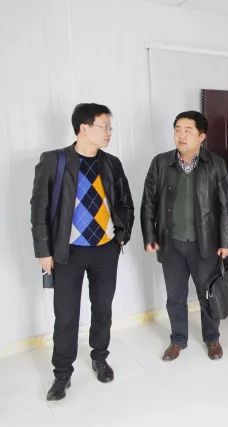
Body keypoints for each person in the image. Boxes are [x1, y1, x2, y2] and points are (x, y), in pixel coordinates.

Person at [30, 103, 134, 400]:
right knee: (66, 315)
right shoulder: (55, 161)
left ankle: (100, 356)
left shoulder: (111, 163)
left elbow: (125, 203)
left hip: (105, 250)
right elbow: (39, 210)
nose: (109, 132)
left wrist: (120, 238)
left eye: (110, 127)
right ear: (84, 128)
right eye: (104, 126)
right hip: (68, 252)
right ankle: (62, 374)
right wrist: (43, 251)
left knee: (102, 308)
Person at [140, 111, 228, 362]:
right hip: (170, 243)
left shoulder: (215, 164)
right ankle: (178, 340)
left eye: (187, 131)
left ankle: (212, 338)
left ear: (201, 136)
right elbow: (148, 201)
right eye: (177, 130)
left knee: (208, 294)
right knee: (175, 297)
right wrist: (149, 234)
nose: (181, 135)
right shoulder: (161, 163)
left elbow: (226, 206)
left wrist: (226, 242)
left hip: (205, 244)